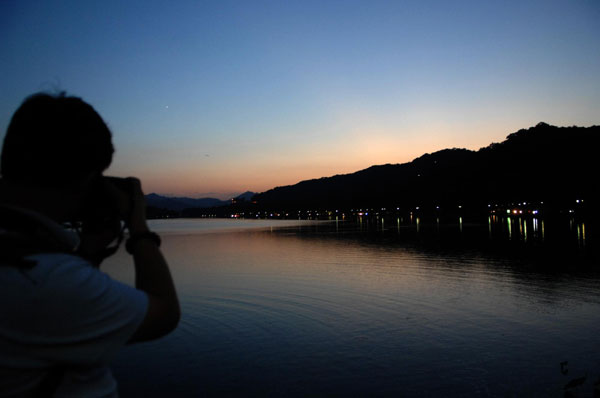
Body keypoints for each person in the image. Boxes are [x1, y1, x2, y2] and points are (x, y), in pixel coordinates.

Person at [0, 93, 180, 397]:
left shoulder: (26, 255)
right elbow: (164, 314)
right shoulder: (41, 278)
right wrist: (138, 227)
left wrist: (90, 250)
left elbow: (64, 312)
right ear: (83, 177)